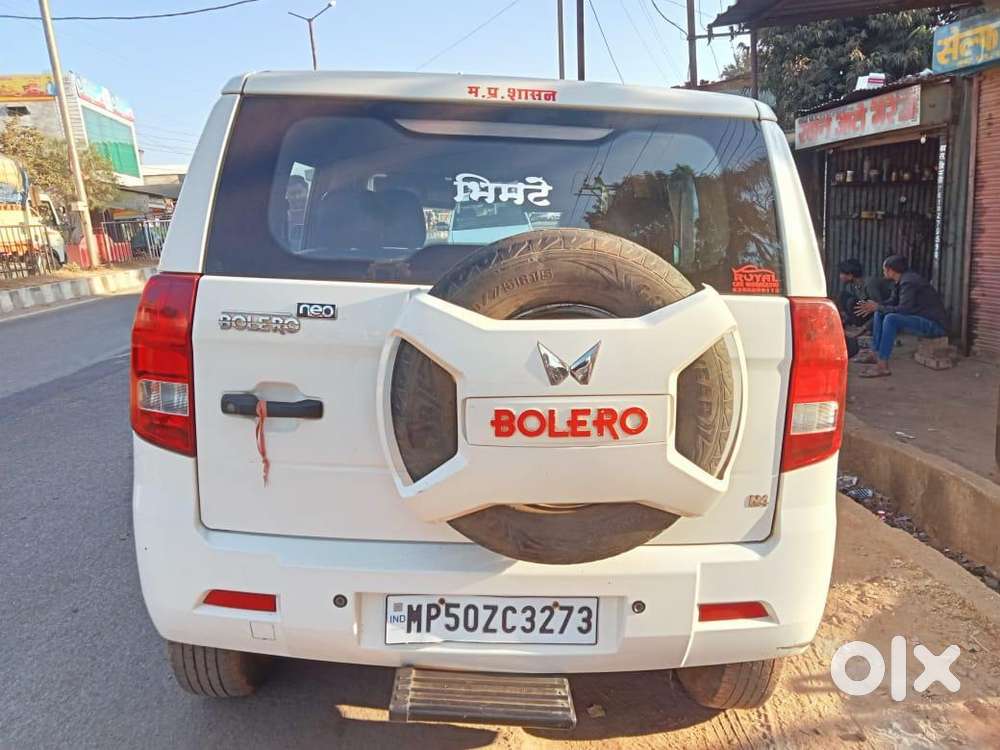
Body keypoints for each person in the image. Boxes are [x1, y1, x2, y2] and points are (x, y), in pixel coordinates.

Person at [854, 254, 948, 378]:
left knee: (891, 319)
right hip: (919, 319)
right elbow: (893, 301)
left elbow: (904, 309)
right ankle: (875, 353)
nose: (883, 272)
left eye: (884, 269)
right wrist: (876, 306)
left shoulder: (909, 282)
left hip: (934, 325)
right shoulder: (901, 280)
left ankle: (883, 366)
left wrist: (878, 307)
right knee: (880, 312)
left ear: (890, 270)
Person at [837, 258, 893, 328]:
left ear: (850, 275)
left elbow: (879, 309)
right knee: (843, 296)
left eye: (842, 273)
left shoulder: (869, 284)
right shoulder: (855, 286)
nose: (840, 276)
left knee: (851, 302)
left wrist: (864, 327)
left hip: (878, 316)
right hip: (866, 314)